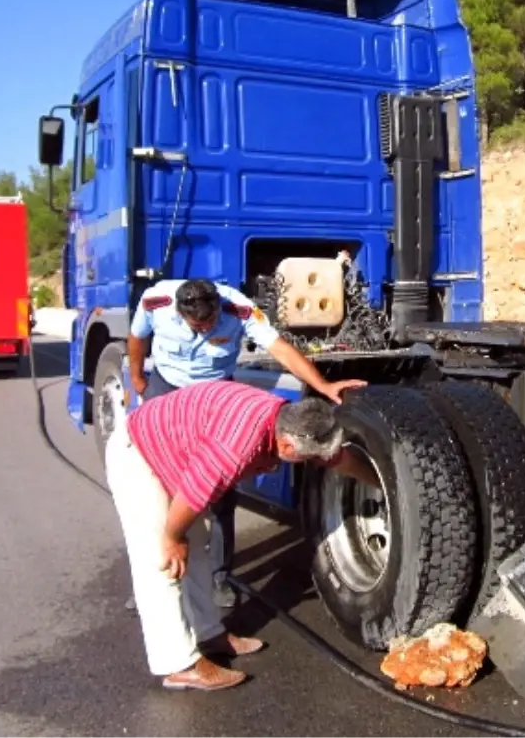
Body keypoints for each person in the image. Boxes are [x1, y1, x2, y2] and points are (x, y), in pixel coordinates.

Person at [106, 378, 378, 690]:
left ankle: (208, 634)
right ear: (288, 446)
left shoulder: (291, 421)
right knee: (162, 561)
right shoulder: (237, 444)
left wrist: (381, 483)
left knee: (197, 549)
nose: (317, 463)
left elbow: (339, 458)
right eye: (310, 459)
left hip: (173, 454)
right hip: (139, 455)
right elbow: (195, 493)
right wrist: (171, 538)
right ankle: (177, 663)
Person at [125, 277, 365, 609]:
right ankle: (152, 578)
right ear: (180, 313)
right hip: (168, 386)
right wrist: (137, 378)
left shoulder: (238, 308)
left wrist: (322, 385)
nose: (202, 331)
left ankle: (220, 577)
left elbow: (279, 348)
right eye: (194, 325)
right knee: (157, 491)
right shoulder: (157, 301)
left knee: (221, 491)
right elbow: (137, 338)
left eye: (209, 324)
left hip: (216, 396)